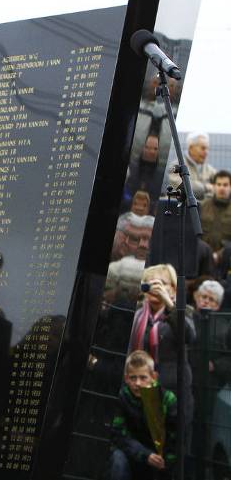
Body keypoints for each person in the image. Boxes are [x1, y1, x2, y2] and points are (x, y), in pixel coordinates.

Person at [128, 264, 196, 435]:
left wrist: (169, 303)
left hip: (172, 396)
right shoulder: (134, 315)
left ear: (173, 289)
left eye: (162, 283)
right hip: (137, 394)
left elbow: (188, 336)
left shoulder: (183, 312)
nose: (155, 287)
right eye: (149, 283)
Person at [106, 350, 177, 480]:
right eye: (133, 378)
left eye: (143, 377)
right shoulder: (122, 398)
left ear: (154, 377)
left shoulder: (166, 398)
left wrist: (166, 462)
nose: (137, 383)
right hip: (132, 454)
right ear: (126, 378)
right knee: (117, 460)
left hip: (158, 458)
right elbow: (119, 435)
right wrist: (145, 455)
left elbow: (174, 436)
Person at [168, 132, 216, 202]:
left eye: (207, 149)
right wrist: (206, 187)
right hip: (184, 211)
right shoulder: (176, 167)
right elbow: (183, 187)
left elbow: (222, 184)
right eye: (203, 148)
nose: (206, 152)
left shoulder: (209, 169)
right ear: (191, 148)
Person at [199, 169, 231, 252]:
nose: (221, 188)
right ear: (213, 186)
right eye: (219, 184)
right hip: (204, 254)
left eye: (225, 185)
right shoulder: (202, 206)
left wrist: (221, 254)